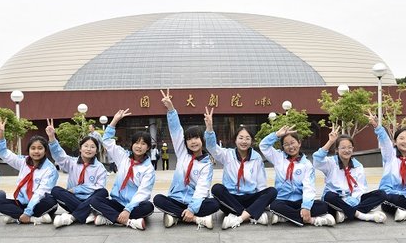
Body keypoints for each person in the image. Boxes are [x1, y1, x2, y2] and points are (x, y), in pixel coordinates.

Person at [153, 89, 219, 229]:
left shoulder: (207, 164)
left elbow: (202, 189)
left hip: (195, 201)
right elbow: (176, 131)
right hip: (176, 199)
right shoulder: (183, 153)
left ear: (202, 140)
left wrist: (192, 208)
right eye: (189, 139)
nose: (193, 142)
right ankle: (196, 220)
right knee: (158, 199)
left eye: (196, 138)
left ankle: (175, 216)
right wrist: (171, 109)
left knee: (214, 204)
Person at [204, 107, 277, 229]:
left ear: (252, 141)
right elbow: (212, 148)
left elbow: (261, 184)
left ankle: (239, 217)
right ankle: (252, 215)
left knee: (272, 191)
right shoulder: (227, 155)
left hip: (250, 198)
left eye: (247, 138)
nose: (244, 141)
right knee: (216, 189)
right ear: (235, 140)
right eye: (241, 138)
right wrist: (210, 128)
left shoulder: (256, 158)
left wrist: (262, 201)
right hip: (231, 198)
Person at [90, 109, 155, 230]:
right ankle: (129, 222)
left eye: (143, 144)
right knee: (94, 200)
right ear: (132, 145)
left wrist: (128, 209)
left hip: (135, 205)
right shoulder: (123, 156)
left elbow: (143, 192)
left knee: (149, 207)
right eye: (136, 143)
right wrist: (115, 121)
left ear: (148, 148)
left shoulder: (148, 168)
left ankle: (110, 218)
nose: (139, 146)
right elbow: (107, 141)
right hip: (117, 202)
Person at [260, 125, 335, 227]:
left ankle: (284, 217)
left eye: (292, 143)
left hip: (300, 200)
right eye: (286, 145)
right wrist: (276, 135)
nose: (290, 147)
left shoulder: (307, 164)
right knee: (274, 205)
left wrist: (306, 207)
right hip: (283, 200)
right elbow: (263, 146)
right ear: (283, 147)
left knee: (323, 205)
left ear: (299, 143)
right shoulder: (278, 157)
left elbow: (309, 187)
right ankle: (312, 220)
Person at [313, 125, 387, 224]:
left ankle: (345, 213)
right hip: (335, 200)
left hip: (353, 199)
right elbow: (317, 159)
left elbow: (361, 188)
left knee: (381, 194)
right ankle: (360, 215)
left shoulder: (358, 166)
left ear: (353, 149)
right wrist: (330, 141)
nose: (347, 150)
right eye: (343, 148)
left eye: (349, 147)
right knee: (328, 196)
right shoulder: (330, 163)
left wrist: (352, 200)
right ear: (336, 150)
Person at [0, 118, 59, 224]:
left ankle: (17, 216)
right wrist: (1, 135)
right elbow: (3, 153)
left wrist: (28, 212)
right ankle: (33, 218)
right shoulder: (23, 161)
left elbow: (40, 193)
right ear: (28, 150)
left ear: (45, 150)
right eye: (33, 148)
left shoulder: (50, 170)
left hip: (39, 203)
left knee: (50, 202)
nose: (36, 151)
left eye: (40, 148)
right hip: (21, 202)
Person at [46, 119, 109, 228]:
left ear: (96, 151)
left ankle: (72, 217)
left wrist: (76, 189)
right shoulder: (72, 162)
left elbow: (98, 187)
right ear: (80, 148)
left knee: (102, 192)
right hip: (72, 200)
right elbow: (59, 156)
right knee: (55, 190)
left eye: (92, 147)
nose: (89, 149)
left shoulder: (100, 168)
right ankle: (88, 213)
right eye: (86, 146)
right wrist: (52, 138)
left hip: (90, 199)